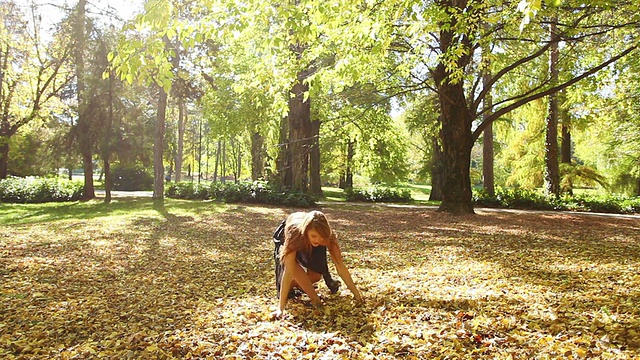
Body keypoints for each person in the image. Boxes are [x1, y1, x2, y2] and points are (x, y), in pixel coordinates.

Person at [272, 210, 363, 319]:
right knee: (291, 267)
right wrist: (280, 309)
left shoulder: (327, 237)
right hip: (293, 234)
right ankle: (315, 300)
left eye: (320, 237)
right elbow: (289, 270)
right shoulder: (294, 234)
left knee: (316, 276)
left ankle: (301, 285)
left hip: (307, 236)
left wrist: (357, 295)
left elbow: (340, 266)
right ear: (307, 231)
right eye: (314, 236)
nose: (318, 240)